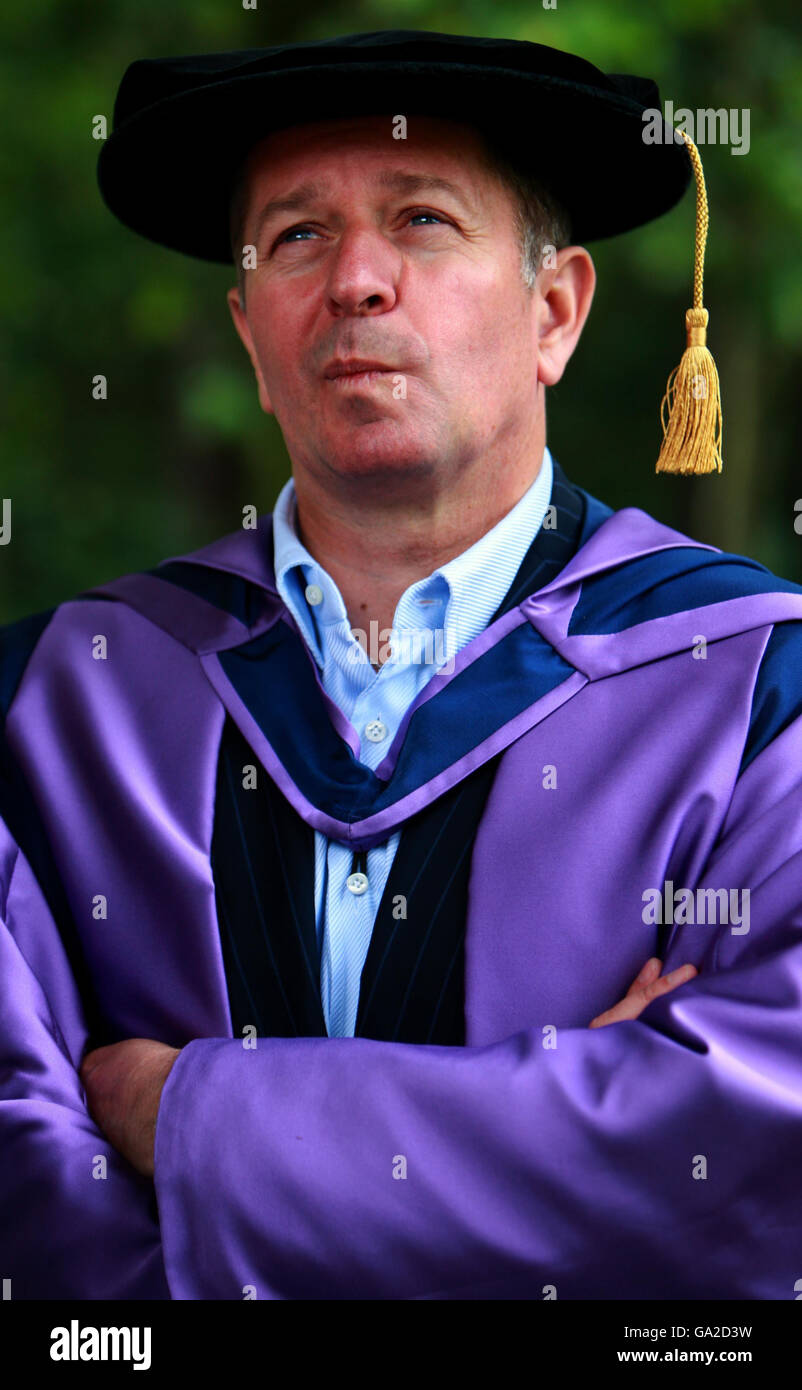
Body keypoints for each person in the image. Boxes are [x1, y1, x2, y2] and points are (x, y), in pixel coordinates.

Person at [2, 29, 801, 1301]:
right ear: (250, 337)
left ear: (555, 311)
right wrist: (563, 1119)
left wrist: (188, 1119)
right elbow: (23, 1199)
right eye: (297, 237)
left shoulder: (753, 692)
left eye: (422, 220)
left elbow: (749, 1155)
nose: (356, 281)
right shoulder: (62, 703)